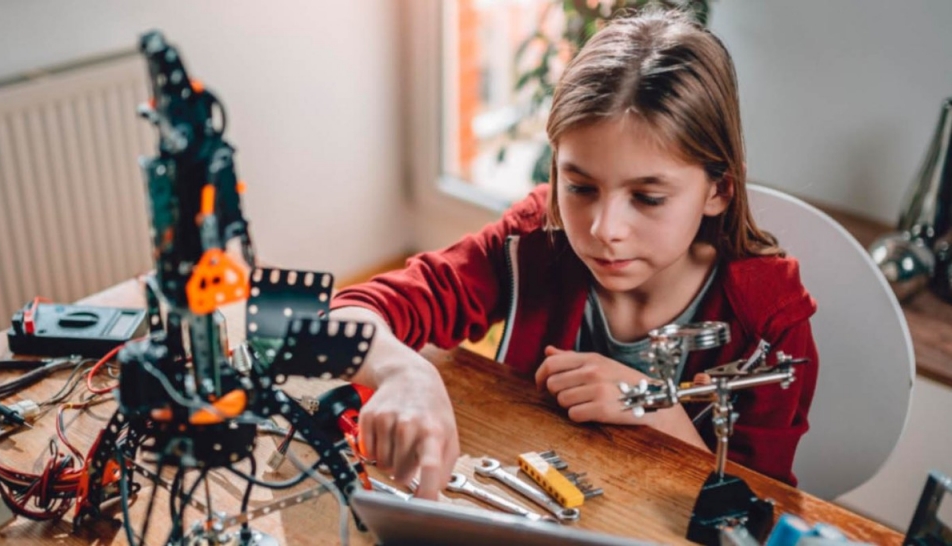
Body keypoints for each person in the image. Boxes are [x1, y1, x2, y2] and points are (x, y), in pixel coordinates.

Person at [331, 8, 818, 500]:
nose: (604, 229)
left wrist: (660, 412)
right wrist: (403, 370)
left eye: (648, 198)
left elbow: (766, 511)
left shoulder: (770, 322)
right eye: (580, 186)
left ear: (719, 190)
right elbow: (342, 315)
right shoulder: (534, 240)